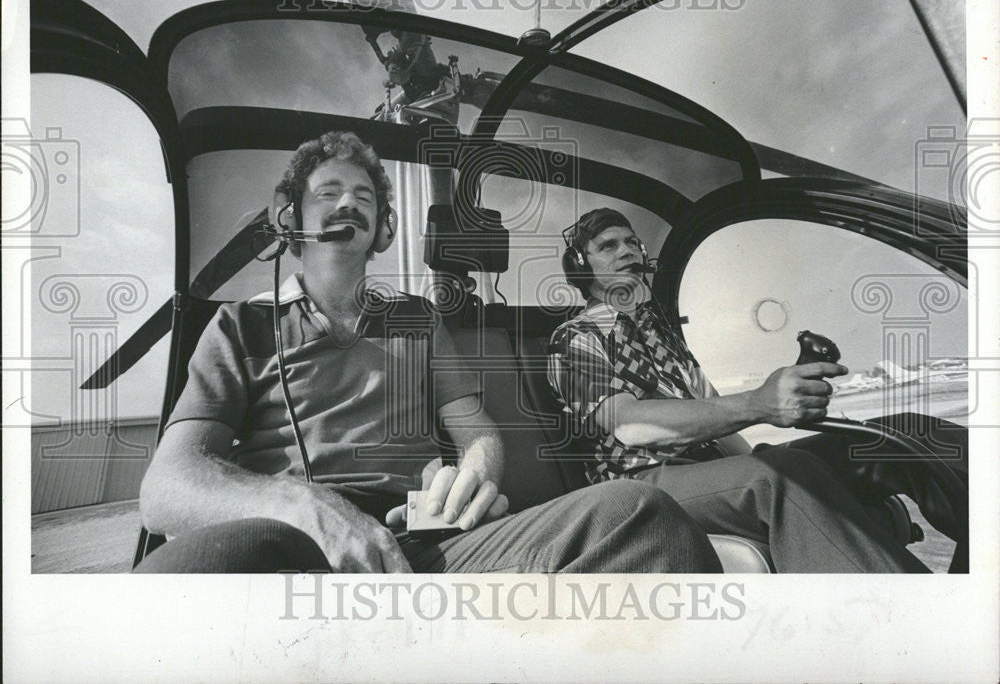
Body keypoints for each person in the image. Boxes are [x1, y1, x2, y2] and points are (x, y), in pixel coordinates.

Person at [136, 133, 722, 574]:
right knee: (193, 566)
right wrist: (305, 507)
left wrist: (474, 481)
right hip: (291, 541)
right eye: (329, 191)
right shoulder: (240, 326)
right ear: (291, 217)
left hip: (428, 541)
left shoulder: (417, 319)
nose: (349, 203)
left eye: (364, 195)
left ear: (383, 228)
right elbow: (165, 489)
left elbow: (477, 433)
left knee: (642, 514)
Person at [547, 208, 968, 573]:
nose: (627, 251)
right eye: (608, 246)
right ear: (581, 266)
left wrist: (757, 454)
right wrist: (760, 404)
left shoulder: (659, 332)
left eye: (631, 243)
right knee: (785, 478)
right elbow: (632, 427)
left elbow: (714, 413)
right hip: (639, 488)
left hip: (705, 470)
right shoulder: (576, 339)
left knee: (899, 438)